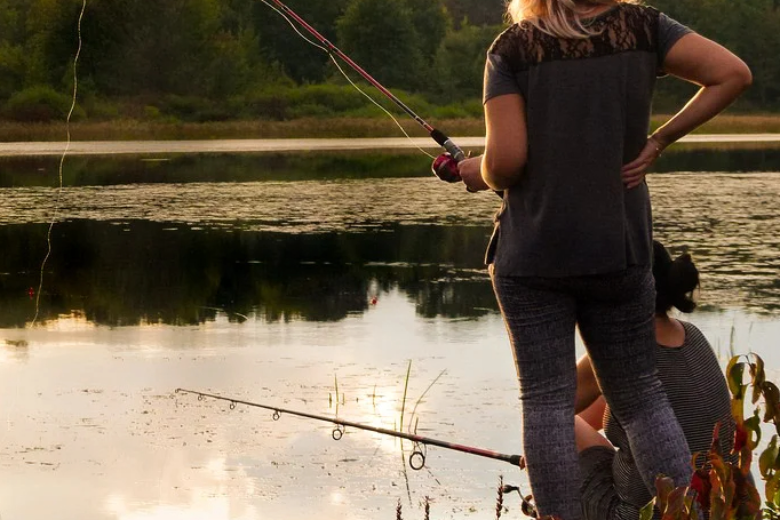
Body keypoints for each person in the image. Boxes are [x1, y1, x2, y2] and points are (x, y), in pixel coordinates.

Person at [456, 1, 751, 518]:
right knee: (641, 398)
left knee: (546, 404)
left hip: (533, 257)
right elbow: (732, 74)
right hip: (619, 248)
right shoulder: (643, 27)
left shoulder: (512, 48)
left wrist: (470, 170)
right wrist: (660, 140)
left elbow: (506, 164)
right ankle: (685, 516)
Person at [575, 241, 737, 519]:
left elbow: (548, 408)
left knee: (550, 422)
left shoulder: (618, 347)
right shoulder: (692, 335)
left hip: (638, 514)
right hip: (721, 508)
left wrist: (541, 452)